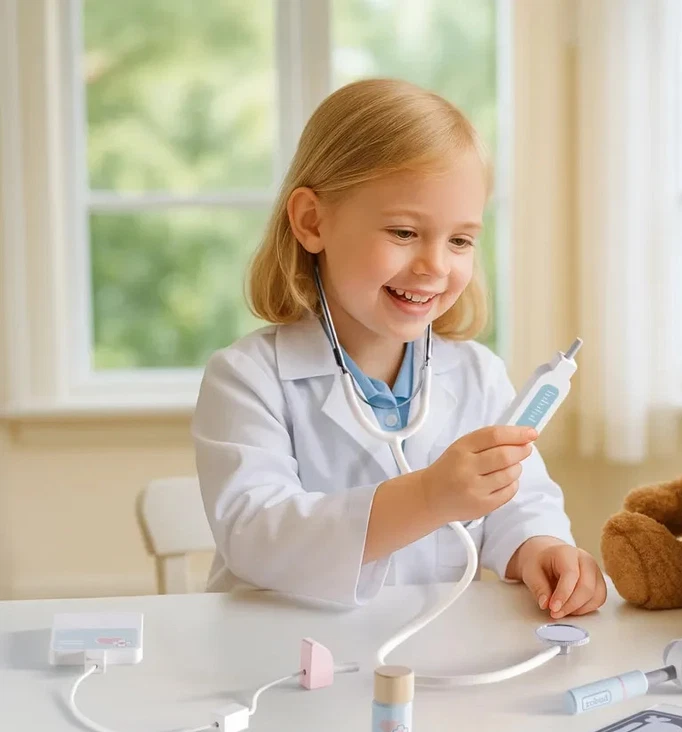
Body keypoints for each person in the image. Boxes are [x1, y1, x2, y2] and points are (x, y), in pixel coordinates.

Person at [192, 77, 606, 620]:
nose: (436, 265)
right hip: (280, 658)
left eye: (460, 240)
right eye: (404, 232)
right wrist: (430, 496)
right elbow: (257, 536)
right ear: (312, 222)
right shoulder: (248, 379)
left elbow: (518, 500)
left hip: (423, 657)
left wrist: (541, 549)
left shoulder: (478, 374)